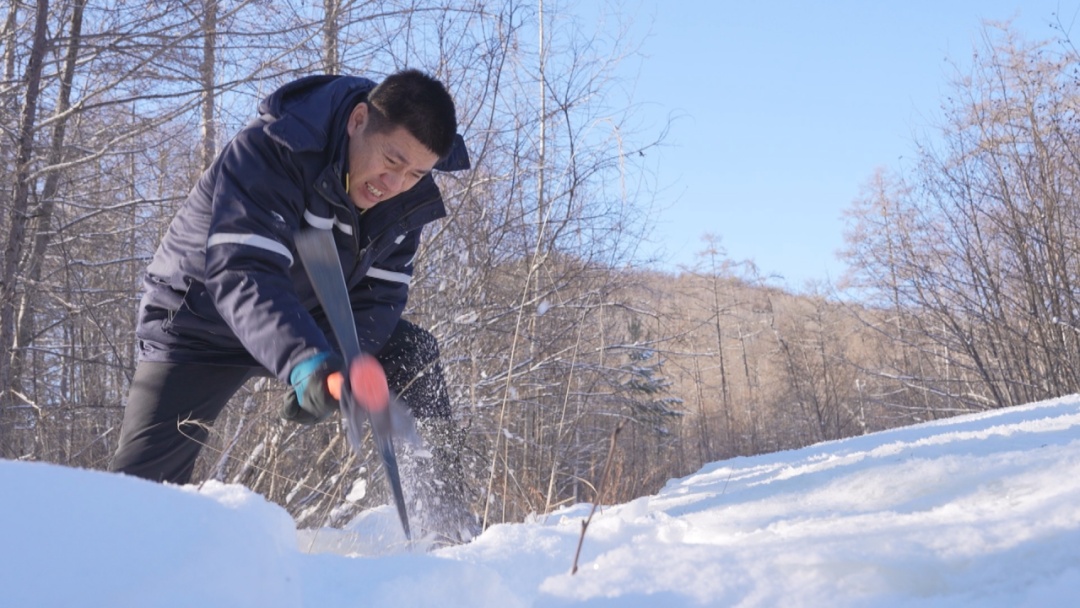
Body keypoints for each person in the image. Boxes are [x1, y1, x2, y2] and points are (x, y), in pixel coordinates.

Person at [108, 70, 474, 538]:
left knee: (413, 355)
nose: (396, 183)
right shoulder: (273, 148)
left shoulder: (407, 198)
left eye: (416, 173)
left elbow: (379, 298)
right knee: (138, 492)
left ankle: (446, 532)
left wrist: (344, 364)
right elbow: (242, 271)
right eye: (391, 160)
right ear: (358, 120)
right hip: (199, 322)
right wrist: (306, 362)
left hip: (308, 314)